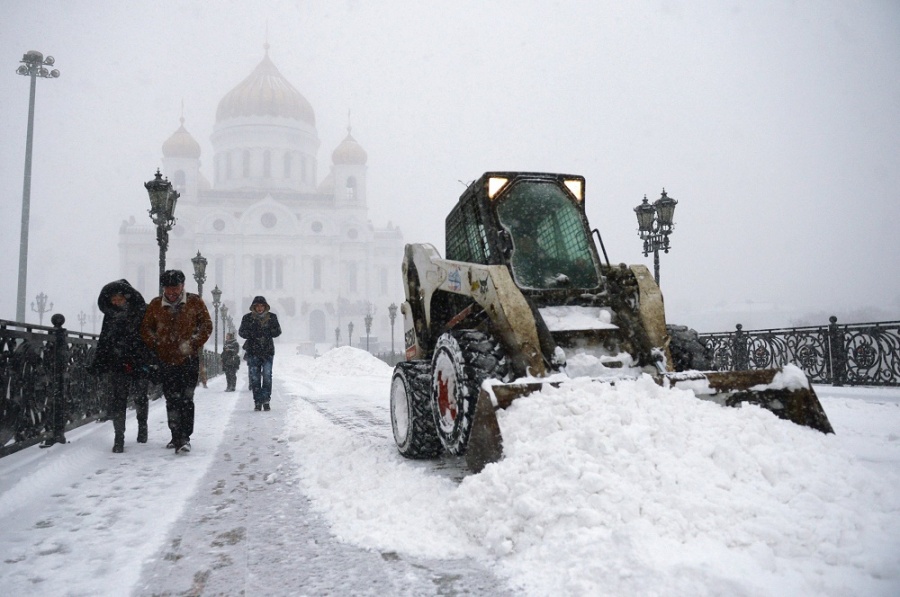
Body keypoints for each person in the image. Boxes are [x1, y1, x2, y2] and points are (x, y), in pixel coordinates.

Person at [140, 270, 212, 454]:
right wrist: (157, 343)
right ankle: (176, 435)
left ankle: (185, 436)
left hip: (188, 359)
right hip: (166, 360)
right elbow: (146, 328)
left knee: (187, 398)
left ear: (182, 287)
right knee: (171, 398)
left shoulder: (194, 302)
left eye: (175, 288)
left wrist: (193, 342)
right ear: (163, 288)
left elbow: (206, 325)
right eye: (168, 288)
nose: (172, 292)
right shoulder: (156, 305)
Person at [88, 279, 153, 453]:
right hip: (118, 363)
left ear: (127, 298)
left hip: (139, 362)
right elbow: (104, 340)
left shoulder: (142, 311)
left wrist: (150, 360)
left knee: (140, 396)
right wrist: (98, 363)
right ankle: (119, 438)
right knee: (119, 399)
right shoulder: (110, 316)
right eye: (113, 300)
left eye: (119, 299)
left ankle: (142, 427)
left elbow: (150, 337)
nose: (116, 302)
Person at [239, 296, 282, 411]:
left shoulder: (272, 317)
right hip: (253, 351)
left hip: (267, 351)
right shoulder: (247, 318)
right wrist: (252, 333)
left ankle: (266, 399)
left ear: (265, 306)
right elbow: (241, 332)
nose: (259, 308)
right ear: (254, 307)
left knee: (267, 376)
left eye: (261, 306)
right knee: (255, 377)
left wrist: (268, 331)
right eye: (257, 306)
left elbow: (278, 331)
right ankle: (257, 401)